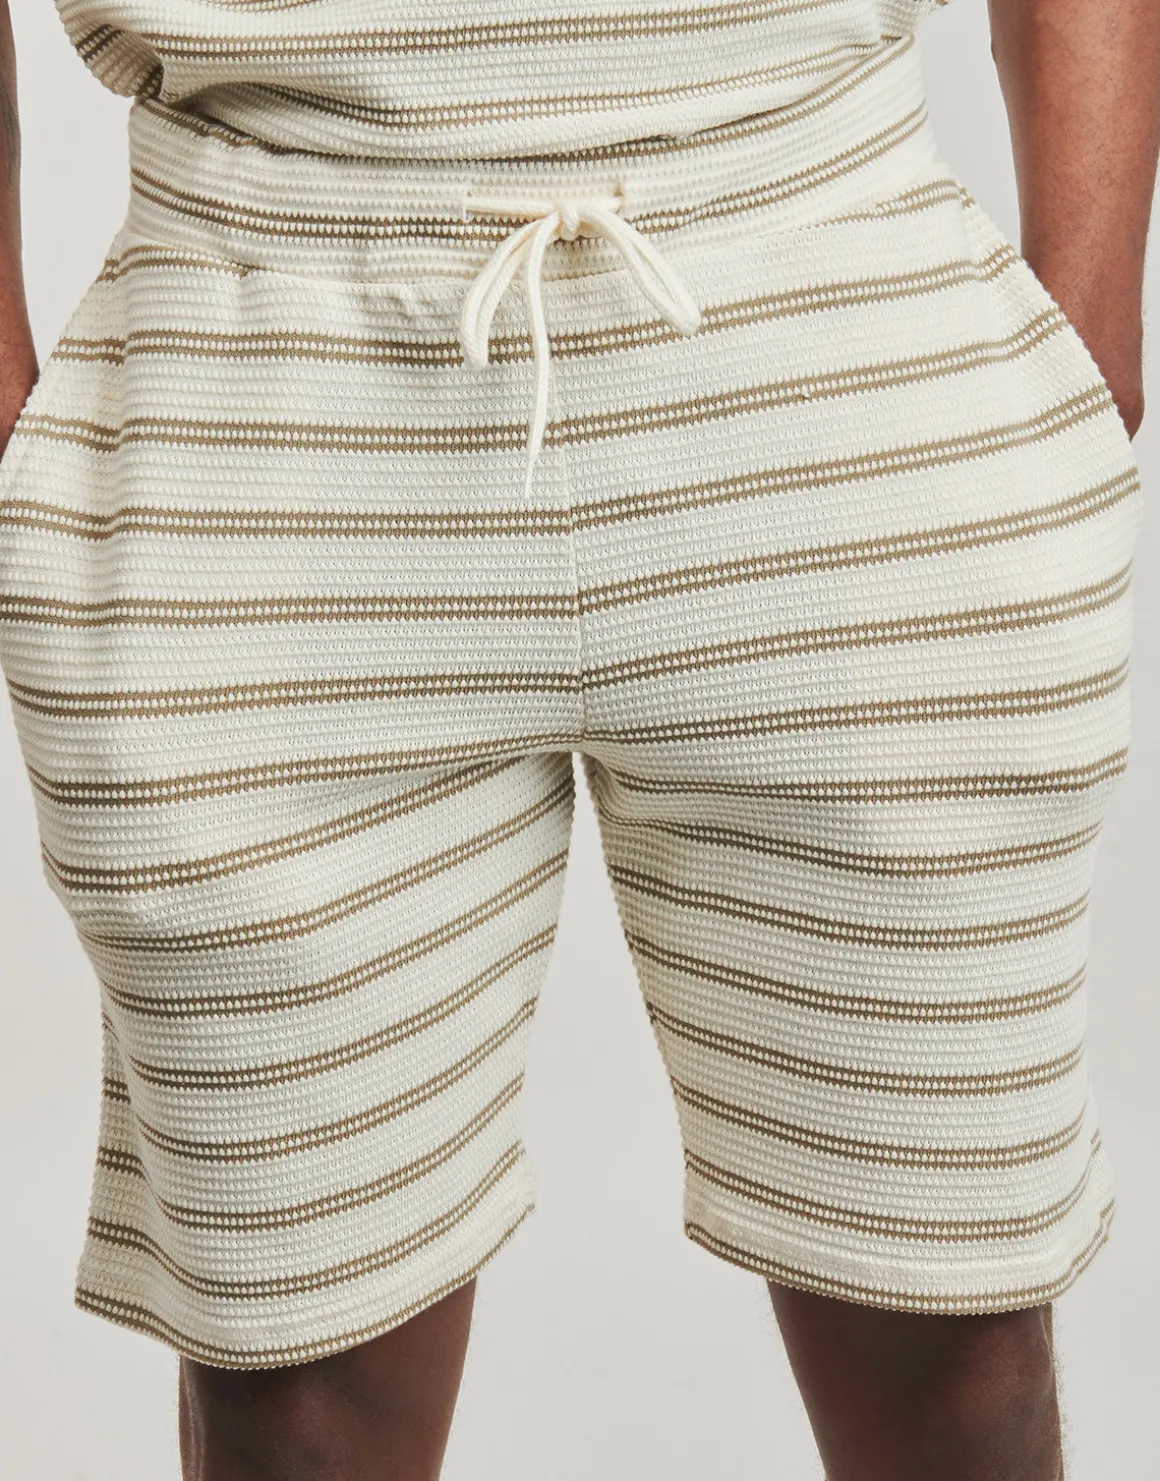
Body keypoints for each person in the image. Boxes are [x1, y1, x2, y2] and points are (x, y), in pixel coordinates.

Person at [0, 1, 1156, 1476]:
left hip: (828, 301)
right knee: (293, 1378)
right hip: (261, 349)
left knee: (953, 1332)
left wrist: (1084, 338)